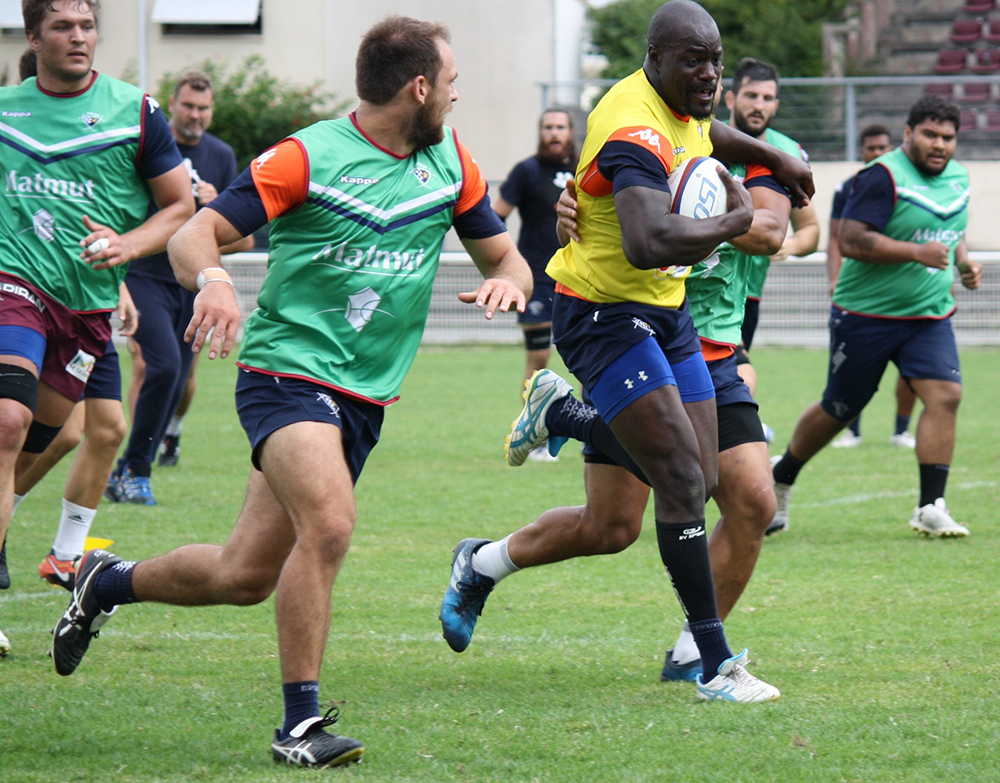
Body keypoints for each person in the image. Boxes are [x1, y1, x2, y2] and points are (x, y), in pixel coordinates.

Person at [51, 16, 533, 769]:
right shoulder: (306, 156)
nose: (455, 94)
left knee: (243, 574)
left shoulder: (452, 163)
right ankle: (300, 727)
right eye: (450, 81)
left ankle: (106, 581)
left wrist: (508, 281)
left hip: (365, 396)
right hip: (287, 375)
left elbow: (508, 257)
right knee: (331, 525)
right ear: (419, 88)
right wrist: (215, 281)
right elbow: (192, 235)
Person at [440, 0, 814, 704]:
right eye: (694, 61)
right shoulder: (632, 129)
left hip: (667, 313)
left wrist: (771, 155)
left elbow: (704, 131)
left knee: (665, 495)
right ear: (655, 58)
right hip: (605, 316)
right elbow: (645, 242)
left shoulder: (682, 103)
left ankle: (555, 429)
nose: (709, 75)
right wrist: (730, 219)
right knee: (680, 479)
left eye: (716, 62)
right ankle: (713, 664)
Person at [0, 0, 194, 652]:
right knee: (7, 422)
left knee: (51, 437)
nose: (78, 36)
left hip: (84, 309)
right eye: (63, 26)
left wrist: (128, 245)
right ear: (34, 37)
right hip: (13, 284)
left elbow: (179, 205)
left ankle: (43, 544)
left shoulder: (135, 112)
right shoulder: (6, 111)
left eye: (86, 25)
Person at [769, 96, 982, 537]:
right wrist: (915, 252)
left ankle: (930, 506)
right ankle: (782, 476)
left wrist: (964, 263)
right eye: (930, 134)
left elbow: (952, 227)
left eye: (947, 137)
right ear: (908, 134)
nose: (939, 144)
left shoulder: (959, 177)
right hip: (866, 315)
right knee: (840, 408)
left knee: (946, 395)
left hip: (927, 314)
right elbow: (851, 240)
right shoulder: (882, 176)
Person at [106, 71, 253, 505]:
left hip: (192, 283)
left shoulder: (220, 155)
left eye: (203, 108)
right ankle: (135, 470)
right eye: (188, 106)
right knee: (162, 366)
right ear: (172, 104)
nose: (195, 115)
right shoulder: (149, 145)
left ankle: (130, 467)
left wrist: (214, 209)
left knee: (180, 378)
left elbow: (243, 240)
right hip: (144, 277)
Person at [724, 58, 819, 397]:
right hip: (702, 284)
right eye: (751, 96)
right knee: (738, 377)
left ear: (776, 105)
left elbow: (810, 229)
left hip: (749, 294)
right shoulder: (705, 140)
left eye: (767, 98)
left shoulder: (789, 153)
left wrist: (788, 244)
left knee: (726, 381)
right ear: (731, 98)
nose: (759, 105)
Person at [492, 109, 576, 461]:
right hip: (536, 278)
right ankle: (535, 435)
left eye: (560, 127)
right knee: (539, 356)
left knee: (589, 354)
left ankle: (598, 434)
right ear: (541, 132)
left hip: (578, 277)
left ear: (571, 131)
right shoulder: (526, 171)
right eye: (548, 127)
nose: (554, 133)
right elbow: (495, 217)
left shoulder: (585, 168)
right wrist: (503, 263)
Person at [828, 124, 919, 450]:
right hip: (861, 297)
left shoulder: (909, 184)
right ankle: (852, 431)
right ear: (862, 151)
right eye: (871, 148)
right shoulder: (848, 188)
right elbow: (836, 237)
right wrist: (834, 278)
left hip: (907, 295)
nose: (877, 153)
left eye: (883, 147)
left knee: (913, 371)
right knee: (853, 371)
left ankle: (901, 430)